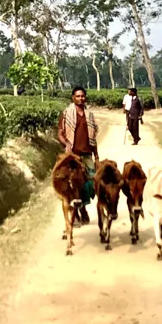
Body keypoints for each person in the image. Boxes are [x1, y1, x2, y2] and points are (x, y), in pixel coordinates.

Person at [57, 86, 99, 225]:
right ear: (73, 98)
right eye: (78, 96)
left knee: (90, 183)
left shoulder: (89, 115)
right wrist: (66, 143)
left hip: (87, 153)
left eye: (82, 96)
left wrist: (96, 155)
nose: (80, 98)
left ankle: (82, 207)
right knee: (73, 184)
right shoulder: (66, 113)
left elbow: (93, 137)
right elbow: (60, 133)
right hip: (72, 155)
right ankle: (74, 214)